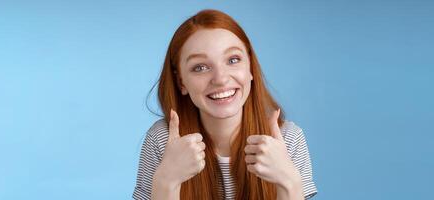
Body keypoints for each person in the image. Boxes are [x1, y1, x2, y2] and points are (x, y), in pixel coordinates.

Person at [133, 9, 317, 200]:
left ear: (250, 68)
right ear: (181, 82)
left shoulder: (288, 140)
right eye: (200, 67)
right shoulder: (162, 141)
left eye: (233, 60)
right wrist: (166, 182)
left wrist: (289, 183)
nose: (220, 79)